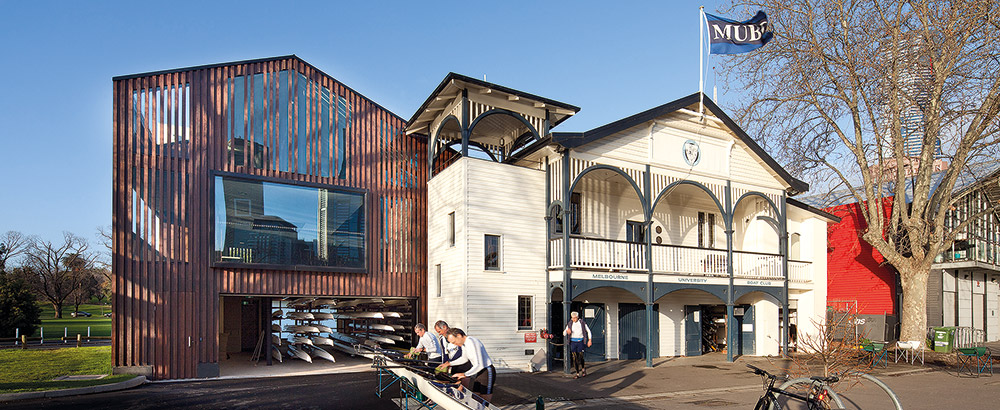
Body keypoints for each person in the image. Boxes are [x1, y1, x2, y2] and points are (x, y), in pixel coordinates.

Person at [446, 327, 495, 404]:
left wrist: (464, 374)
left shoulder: (472, 342)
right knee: (476, 397)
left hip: (486, 370)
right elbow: (464, 358)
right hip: (478, 372)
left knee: (484, 399)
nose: (455, 345)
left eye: (454, 342)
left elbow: (480, 365)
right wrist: (449, 363)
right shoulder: (464, 344)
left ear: (459, 335)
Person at [564, 311, 592, 378]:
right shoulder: (570, 323)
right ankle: (577, 373)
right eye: (572, 318)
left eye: (575, 318)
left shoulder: (582, 323)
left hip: (580, 341)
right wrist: (567, 332)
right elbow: (564, 333)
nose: (573, 319)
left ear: (577, 317)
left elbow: (588, 331)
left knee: (580, 356)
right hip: (573, 342)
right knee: (574, 357)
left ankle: (583, 368)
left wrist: (590, 340)